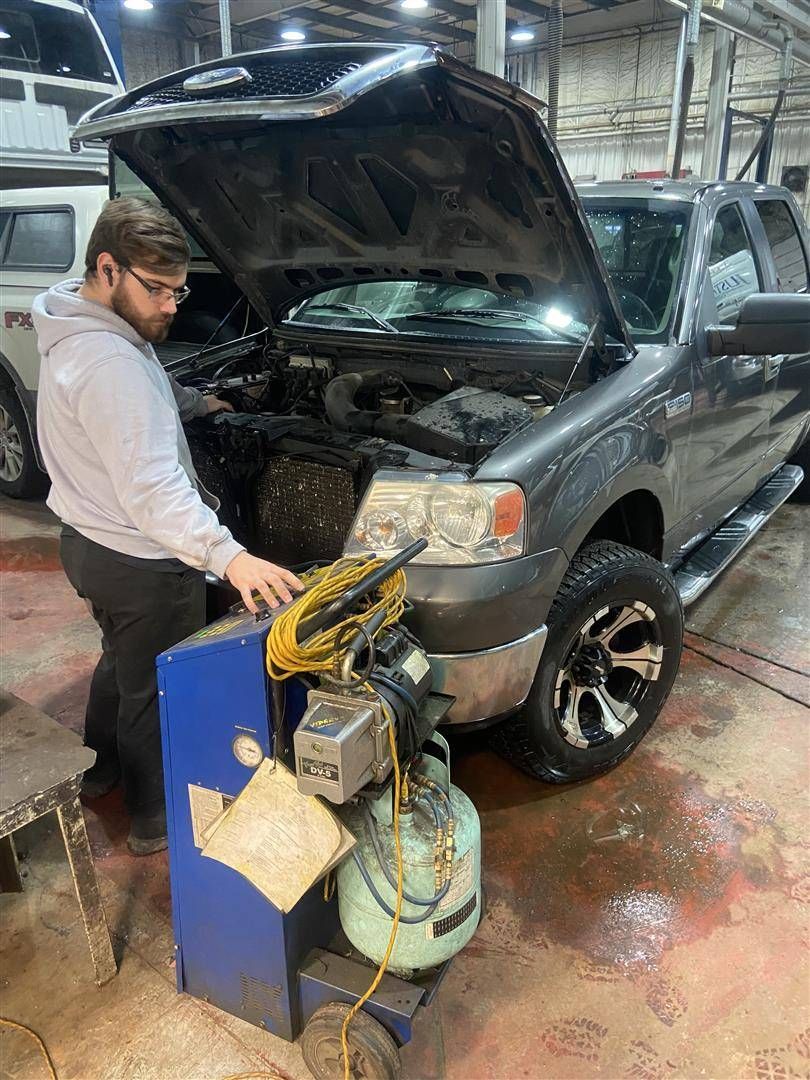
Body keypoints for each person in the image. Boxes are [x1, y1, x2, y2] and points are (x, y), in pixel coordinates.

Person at [33, 197, 302, 855]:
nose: (170, 307)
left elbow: (142, 392)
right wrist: (228, 556)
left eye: (178, 291)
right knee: (156, 688)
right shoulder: (111, 365)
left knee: (120, 662)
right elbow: (154, 490)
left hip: (86, 542)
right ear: (106, 266)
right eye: (156, 289)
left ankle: (98, 772)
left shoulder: (80, 322)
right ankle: (156, 822)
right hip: (141, 561)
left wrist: (195, 401)